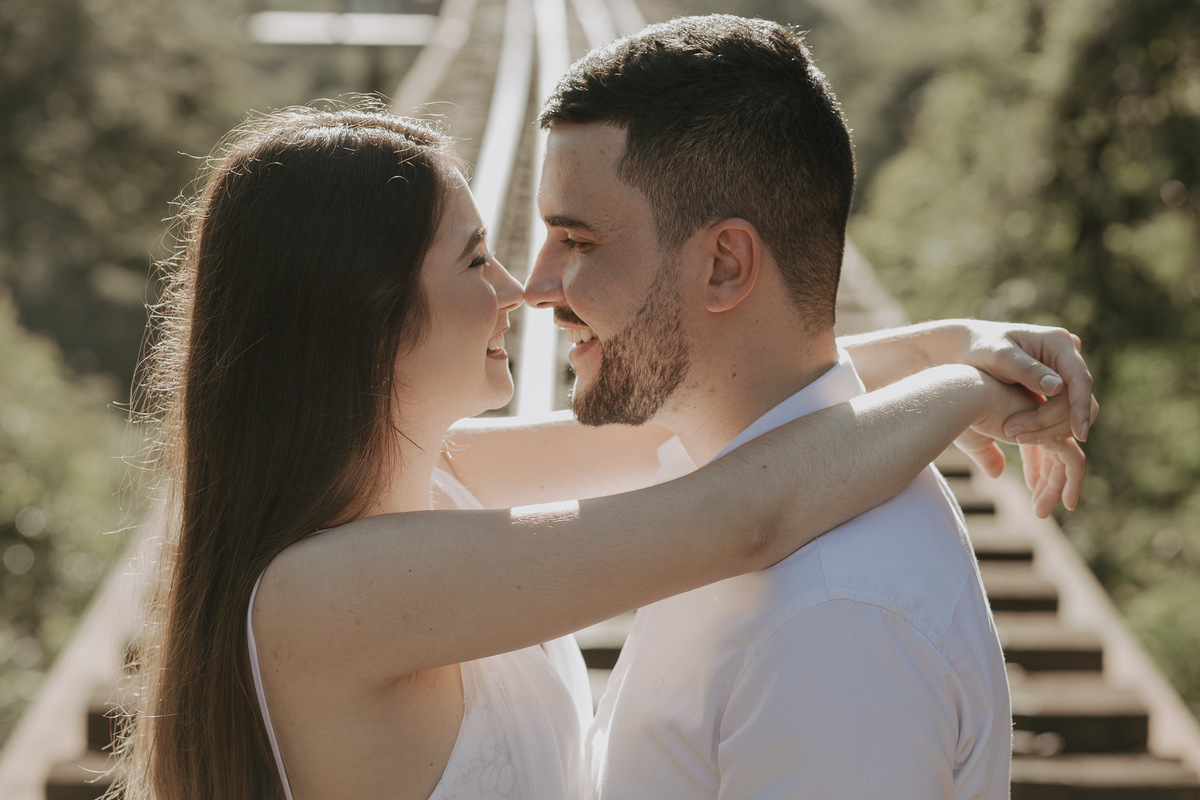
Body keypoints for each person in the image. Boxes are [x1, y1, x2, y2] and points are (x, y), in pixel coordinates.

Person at [113, 102, 1090, 800]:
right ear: (362, 313)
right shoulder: (325, 593)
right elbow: (744, 515)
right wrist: (970, 388)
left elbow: (686, 412)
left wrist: (944, 343)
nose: (516, 290)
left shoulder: (435, 476)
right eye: (473, 259)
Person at [522, 15, 1094, 799]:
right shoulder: (714, 487)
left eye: (578, 241)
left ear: (725, 265)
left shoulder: (837, 620)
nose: (535, 288)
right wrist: (940, 352)